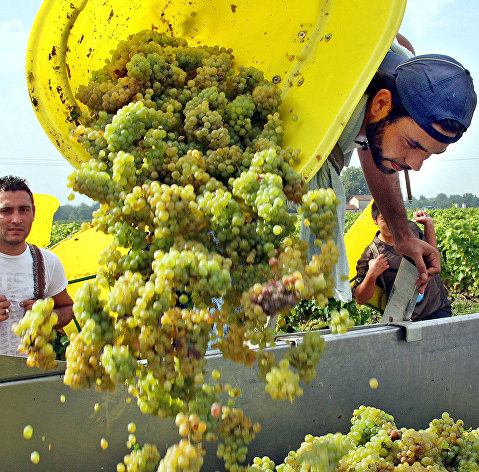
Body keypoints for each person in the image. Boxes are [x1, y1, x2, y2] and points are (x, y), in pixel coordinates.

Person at [302, 37, 477, 302]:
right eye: (412, 144)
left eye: (429, 154)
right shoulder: (319, 91)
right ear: (381, 104)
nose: (415, 165)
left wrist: (403, 235)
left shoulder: (371, 103)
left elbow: (373, 145)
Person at [0, 176, 74, 356]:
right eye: (6, 211)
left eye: (23, 210)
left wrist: (49, 316)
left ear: (33, 213)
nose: (16, 219)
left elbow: (68, 309)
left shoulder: (47, 262)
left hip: (30, 376)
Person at [352, 202, 452, 321]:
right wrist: (372, 274)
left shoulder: (412, 229)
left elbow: (432, 255)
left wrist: (429, 225)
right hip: (406, 321)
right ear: (375, 219)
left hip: (438, 308)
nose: (392, 223)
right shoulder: (372, 253)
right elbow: (360, 298)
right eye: (385, 219)